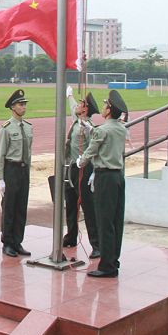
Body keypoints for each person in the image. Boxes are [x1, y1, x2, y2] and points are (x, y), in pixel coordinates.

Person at [77, 90, 128, 278]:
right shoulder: (121, 128)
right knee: (115, 220)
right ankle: (113, 259)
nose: (103, 108)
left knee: (104, 221)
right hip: (117, 177)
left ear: (109, 110)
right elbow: (105, 137)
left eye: (106, 105)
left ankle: (107, 266)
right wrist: (92, 130)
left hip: (105, 177)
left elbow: (91, 151)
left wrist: (80, 162)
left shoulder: (103, 130)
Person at [63, 89, 100, 257]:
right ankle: (71, 236)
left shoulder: (88, 128)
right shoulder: (77, 120)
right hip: (71, 167)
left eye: (80, 104)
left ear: (85, 109)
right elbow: (72, 107)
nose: (77, 105)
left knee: (87, 207)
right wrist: (69, 95)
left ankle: (96, 244)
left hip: (83, 169)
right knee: (70, 203)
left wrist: (93, 171)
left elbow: (95, 149)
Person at [0, 89, 33, 258]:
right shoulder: (6, 128)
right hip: (11, 169)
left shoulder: (28, 127)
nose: (23, 107)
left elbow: (29, 152)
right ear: (13, 107)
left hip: (24, 170)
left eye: (24, 104)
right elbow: (1, 155)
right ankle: (8, 243)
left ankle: (18, 241)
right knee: (9, 207)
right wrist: (1, 179)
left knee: (21, 207)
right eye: (20, 104)